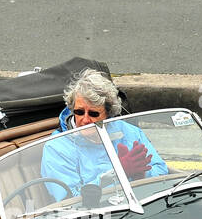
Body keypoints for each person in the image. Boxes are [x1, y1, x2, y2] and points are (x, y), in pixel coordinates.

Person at [40, 69, 167, 198]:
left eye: (93, 114)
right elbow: (70, 200)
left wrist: (141, 175)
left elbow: (162, 173)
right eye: (79, 112)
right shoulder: (56, 147)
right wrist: (116, 174)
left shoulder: (128, 132)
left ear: (108, 113)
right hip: (94, 215)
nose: (85, 120)